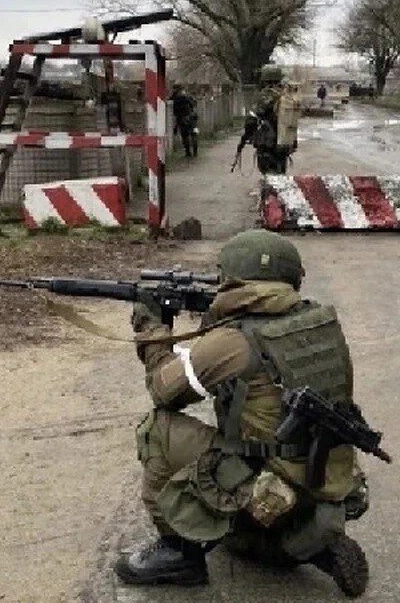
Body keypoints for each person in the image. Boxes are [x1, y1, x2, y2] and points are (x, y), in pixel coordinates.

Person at [116, 230, 372, 597]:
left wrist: (150, 325)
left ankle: (180, 552)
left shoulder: (234, 341)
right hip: (326, 481)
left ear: (232, 278)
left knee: (157, 429)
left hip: (269, 488)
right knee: (264, 454)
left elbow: (163, 389)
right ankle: (310, 542)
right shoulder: (320, 322)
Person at [235, 66, 294, 174]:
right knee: (280, 176)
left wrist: (242, 142)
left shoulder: (264, 97)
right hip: (282, 145)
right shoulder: (285, 96)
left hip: (267, 145)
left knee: (268, 177)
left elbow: (251, 121)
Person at [171, 85, 199, 157]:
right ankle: (195, 152)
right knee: (194, 134)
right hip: (191, 119)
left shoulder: (175, 99)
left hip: (182, 119)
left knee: (185, 136)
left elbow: (174, 112)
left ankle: (188, 152)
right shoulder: (188, 97)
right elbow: (194, 105)